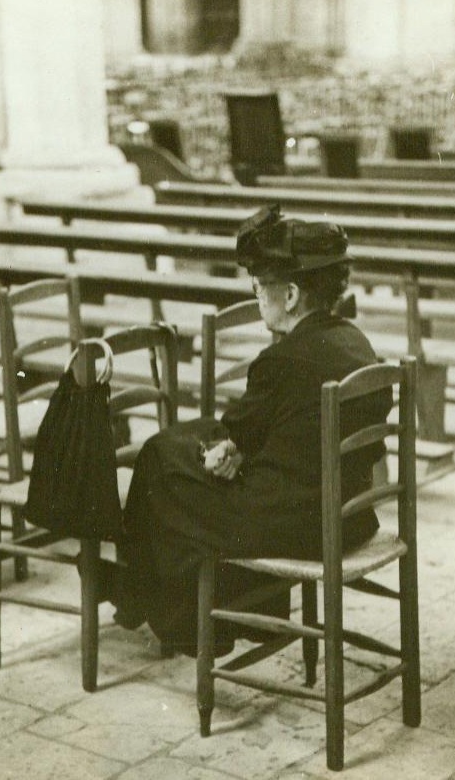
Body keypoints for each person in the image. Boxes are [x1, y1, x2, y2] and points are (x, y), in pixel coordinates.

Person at [113, 204, 391, 656]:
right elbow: (265, 430)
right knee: (179, 452)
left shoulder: (281, 360)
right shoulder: (355, 342)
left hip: (296, 527)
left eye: (262, 286)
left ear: (293, 294)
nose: (258, 295)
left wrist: (223, 449)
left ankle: (168, 611)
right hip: (349, 515)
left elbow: (237, 429)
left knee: (162, 462)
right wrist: (236, 445)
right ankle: (213, 614)